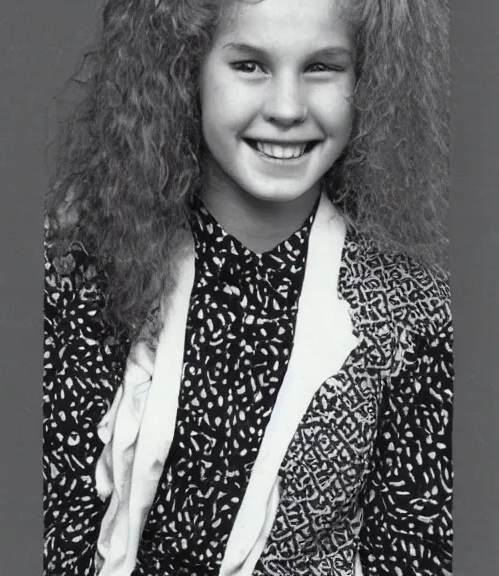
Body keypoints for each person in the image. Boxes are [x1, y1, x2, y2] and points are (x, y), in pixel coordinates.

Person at [43, 0, 452, 575]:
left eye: (321, 67)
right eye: (250, 66)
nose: (287, 108)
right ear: (187, 70)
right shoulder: (83, 268)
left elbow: (414, 555)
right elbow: (51, 531)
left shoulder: (415, 314)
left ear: (368, 81)